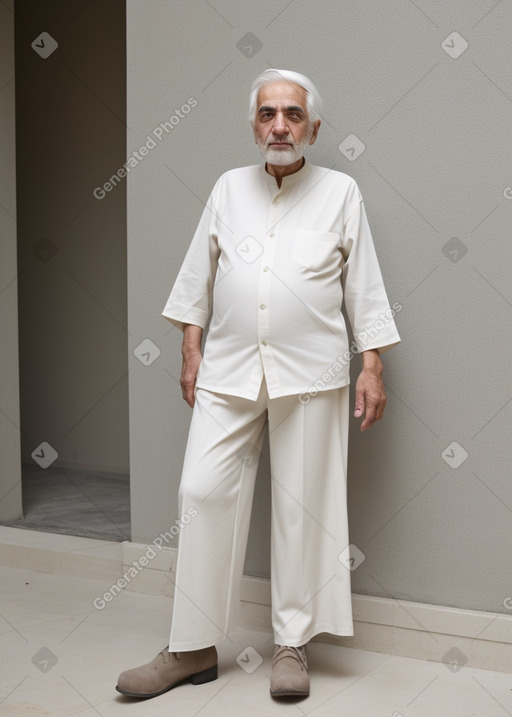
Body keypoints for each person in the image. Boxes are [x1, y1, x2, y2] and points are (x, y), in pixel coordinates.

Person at [116, 68, 400, 701]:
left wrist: (373, 364)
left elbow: (365, 287)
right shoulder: (226, 189)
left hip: (314, 372)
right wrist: (191, 348)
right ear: (254, 125)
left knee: (303, 507)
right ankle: (189, 647)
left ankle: (292, 645)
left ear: (314, 127)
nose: (280, 126)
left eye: (293, 115)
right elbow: (198, 277)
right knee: (202, 490)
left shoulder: (340, 193)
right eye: (268, 114)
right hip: (229, 366)